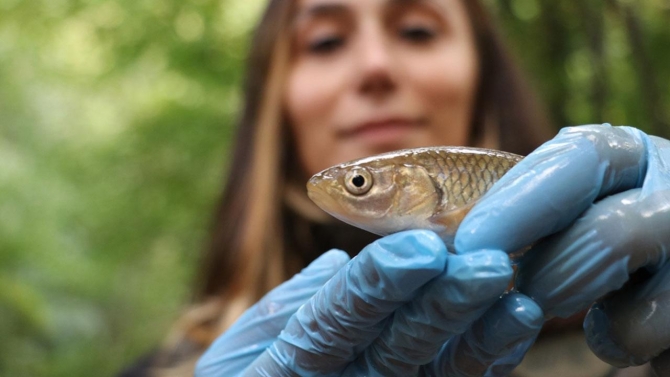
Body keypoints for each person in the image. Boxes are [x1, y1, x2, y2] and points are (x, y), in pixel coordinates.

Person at [120, 0, 670, 376]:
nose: (375, 67)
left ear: (482, 90)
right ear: (278, 121)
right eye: (327, 41)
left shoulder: (634, 348)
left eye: (416, 30)